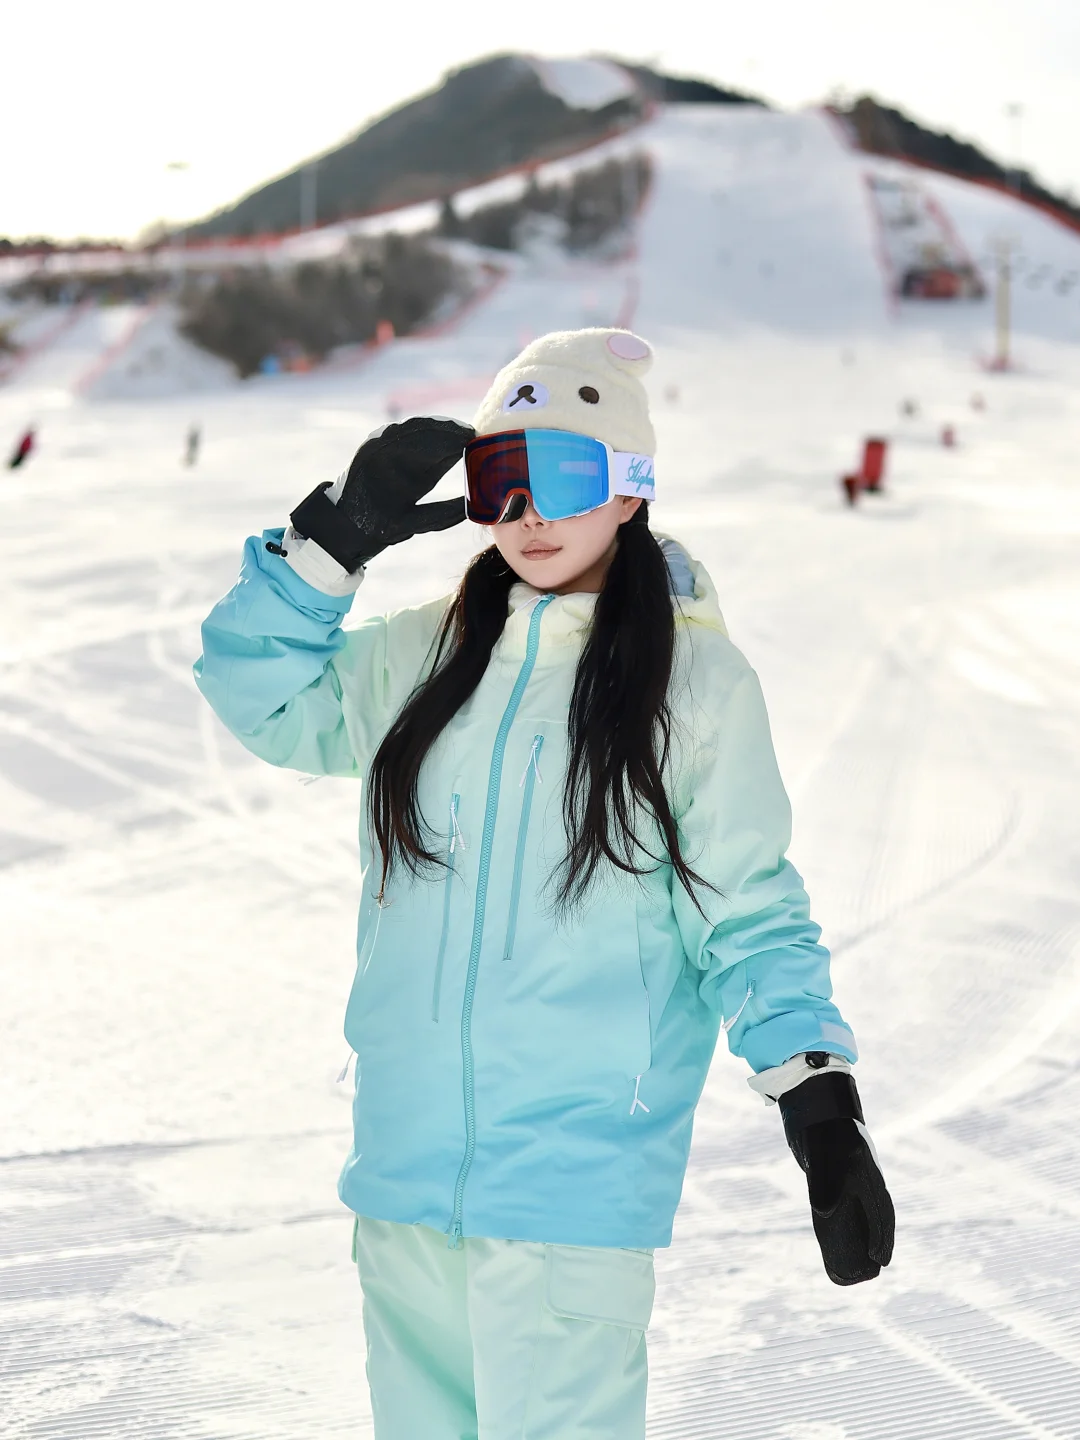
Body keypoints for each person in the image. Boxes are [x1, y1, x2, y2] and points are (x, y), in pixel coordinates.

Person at [194, 328, 894, 1440]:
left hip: (574, 1195)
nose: (527, 514)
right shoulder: (426, 655)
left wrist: (819, 1104)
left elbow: (749, 915)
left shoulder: (694, 684)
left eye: (561, 476)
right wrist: (331, 548)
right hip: (405, 1183)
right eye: (497, 481)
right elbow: (259, 697)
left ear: (631, 488)